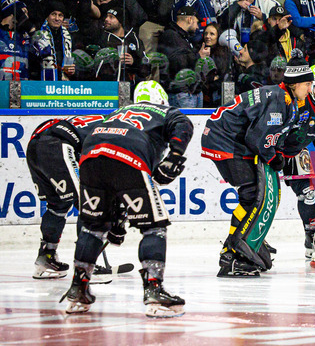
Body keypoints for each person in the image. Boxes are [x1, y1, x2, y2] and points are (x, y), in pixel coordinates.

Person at [61, 81, 194, 317]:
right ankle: (154, 289)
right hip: (129, 154)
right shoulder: (165, 111)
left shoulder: (116, 112)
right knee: (154, 227)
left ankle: (78, 288)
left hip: (91, 154)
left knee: (93, 227)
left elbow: (113, 174)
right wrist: (174, 155)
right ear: (161, 99)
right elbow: (184, 124)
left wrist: (117, 217)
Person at [201, 59, 313, 277]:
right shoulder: (279, 100)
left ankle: (237, 245)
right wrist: (273, 158)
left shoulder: (284, 98)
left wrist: (277, 154)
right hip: (226, 141)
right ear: (294, 83)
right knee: (253, 194)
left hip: (227, 139)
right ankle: (232, 255)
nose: (309, 89)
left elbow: (272, 135)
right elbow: (258, 139)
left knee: (250, 195)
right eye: (307, 84)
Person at [25, 113, 107, 280]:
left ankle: (46, 257)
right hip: (57, 144)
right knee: (87, 203)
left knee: (58, 204)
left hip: (35, 144)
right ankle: (86, 264)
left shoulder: (102, 121)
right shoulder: (118, 128)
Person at [278, 65, 315, 260]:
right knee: (266, 196)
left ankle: (311, 236)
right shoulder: (296, 102)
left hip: (297, 151)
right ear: (311, 86)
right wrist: (271, 153)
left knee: (307, 192)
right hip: (275, 150)